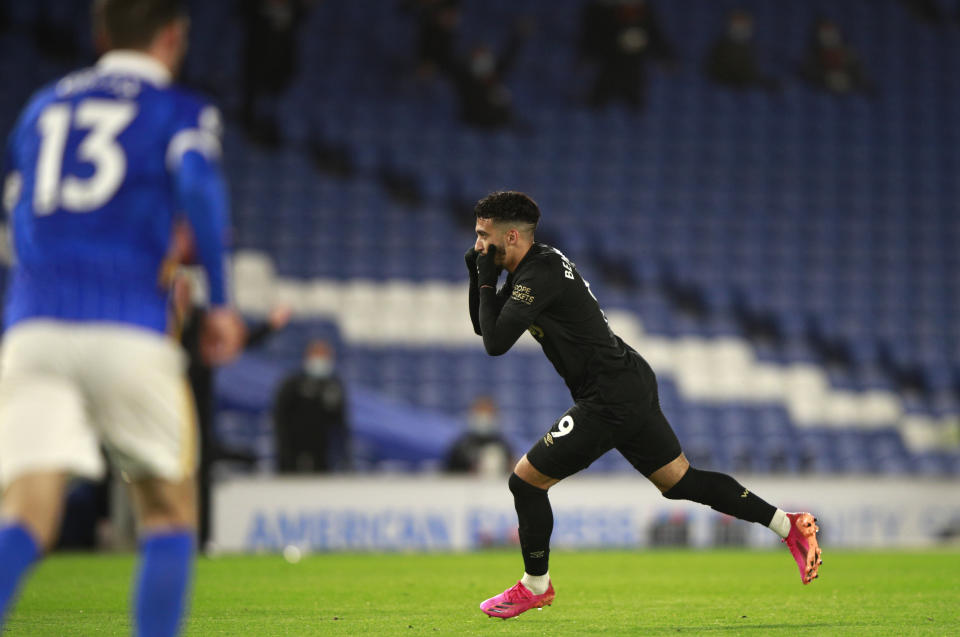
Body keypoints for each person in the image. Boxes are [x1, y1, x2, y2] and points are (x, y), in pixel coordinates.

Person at [0, 1, 245, 635]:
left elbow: (18, 209)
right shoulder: (180, 110)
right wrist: (219, 300)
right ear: (173, 36)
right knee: (168, 513)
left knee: (25, 515)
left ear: (100, 34)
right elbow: (197, 186)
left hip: (34, 326)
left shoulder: (42, 107)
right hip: (129, 321)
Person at [465, 192, 821, 619]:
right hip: (626, 382)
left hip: (609, 397)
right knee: (681, 482)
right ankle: (789, 525)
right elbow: (484, 325)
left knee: (525, 482)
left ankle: (535, 586)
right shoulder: (532, 266)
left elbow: (496, 343)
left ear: (511, 235)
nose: (479, 245)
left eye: (485, 237)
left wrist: (485, 279)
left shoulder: (537, 275)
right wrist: (479, 276)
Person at [170, 266, 291, 551]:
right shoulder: (158, 320)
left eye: (185, 288)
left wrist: (269, 326)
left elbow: (236, 342)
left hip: (196, 413)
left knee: (201, 479)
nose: (182, 294)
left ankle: (201, 541)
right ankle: (164, 539)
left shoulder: (200, 321)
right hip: (166, 410)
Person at [580, 0, 676, 111]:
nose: (631, 11)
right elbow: (591, 46)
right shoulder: (605, 26)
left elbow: (657, 42)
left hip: (634, 76)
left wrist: (667, 58)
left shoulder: (646, 25)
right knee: (597, 105)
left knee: (636, 107)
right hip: (608, 73)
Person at [273, 340, 351, 473]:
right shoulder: (293, 383)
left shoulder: (334, 385)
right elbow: (280, 416)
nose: (321, 360)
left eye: (325, 356)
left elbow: (341, 421)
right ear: (307, 356)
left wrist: (343, 454)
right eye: (317, 355)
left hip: (322, 451)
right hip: (293, 449)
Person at [704, 9, 779, 92]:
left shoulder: (751, 47)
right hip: (727, 85)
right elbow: (718, 71)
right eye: (739, 24)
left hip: (746, 84)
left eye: (745, 24)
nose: (743, 28)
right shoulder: (721, 47)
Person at [800, 18, 874, 96]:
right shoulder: (812, 57)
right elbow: (809, 77)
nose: (829, 36)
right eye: (825, 32)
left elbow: (859, 77)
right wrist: (828, 79)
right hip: (823, 93)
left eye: (830, 31)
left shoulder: (848, 52)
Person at [445, 396, 514, 477]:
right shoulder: (461, 445)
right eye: (480, 412)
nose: (484, 417)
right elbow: (450, 472)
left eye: (488, 412)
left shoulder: (502, 444)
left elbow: (511, 467)